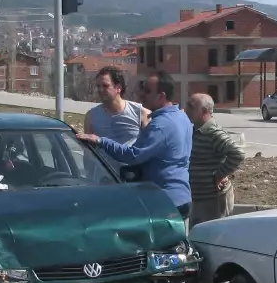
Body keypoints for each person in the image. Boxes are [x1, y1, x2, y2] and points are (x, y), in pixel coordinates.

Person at [77, 71, 193, 226]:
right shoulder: (181, 117)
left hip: (165, 200)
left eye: (147, 91)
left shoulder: (160, 126)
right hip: (181, 196)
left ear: (161, 96)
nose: (141, 94)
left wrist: (100, 140)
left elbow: (133, 155)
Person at [184, 93, 246, 226]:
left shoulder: (212, 132)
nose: (186, 109)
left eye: (191, 106)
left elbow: (238, 153)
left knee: (211, 238)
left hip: (212, 199)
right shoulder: (196, 129)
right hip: (199, 197)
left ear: (205, 112)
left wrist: (220, 174)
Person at [84, 66, 149, 167]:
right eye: (98, 86)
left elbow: (149, 149)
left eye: (105, 86)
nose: (100, 90)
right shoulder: (91, 116)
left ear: (118, 87)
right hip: (103, 178)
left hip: (132, 178)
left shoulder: (141, 113)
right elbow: (88, 153)